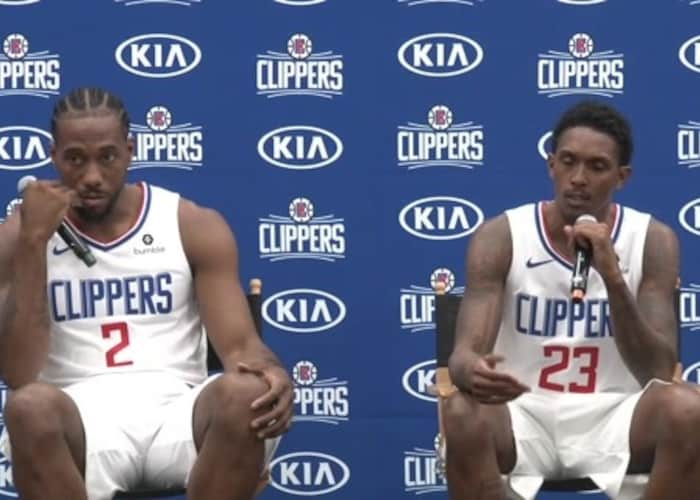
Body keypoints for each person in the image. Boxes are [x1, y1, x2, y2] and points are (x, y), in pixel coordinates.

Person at [0, 87, 293, 500]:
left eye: (107, 156)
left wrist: (272, 372)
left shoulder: (190, 224)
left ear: (130, 150)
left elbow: (242, 346)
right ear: (53, 156)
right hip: (80, 422)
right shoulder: (19, 235)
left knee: (247, 391)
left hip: (177, 414)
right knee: (28, 408)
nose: (91, 177)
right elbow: (18, 375)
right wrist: (33, 242)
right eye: (75, 159)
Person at [443, 101, 700, 500]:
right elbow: (462, 356)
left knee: (689, 409)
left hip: (616, 415)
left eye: (597, 167)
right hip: (522, 413)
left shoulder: (652, 240)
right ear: (551, 165)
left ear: (622, 176)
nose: (578, 178)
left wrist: (612, 277)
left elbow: (659, 370)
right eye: (568, 161)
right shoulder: (503, 235)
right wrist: (470, 371)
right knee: (460, 411)